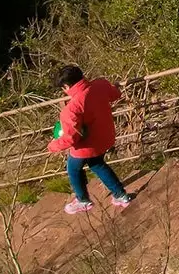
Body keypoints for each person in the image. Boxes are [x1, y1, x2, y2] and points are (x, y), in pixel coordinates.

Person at [46, 65, 132, 214]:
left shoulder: (71, 108)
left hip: (88, 146)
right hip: (106, 135)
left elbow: (71, 138)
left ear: (66, 86)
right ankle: (121, 195)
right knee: (97, 163)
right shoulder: (100, 84)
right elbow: (115, 94)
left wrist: (53, 146)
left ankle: (83, 200)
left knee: (73, 168)